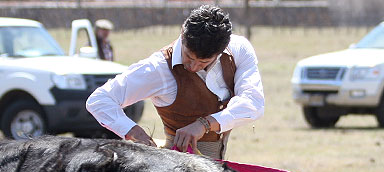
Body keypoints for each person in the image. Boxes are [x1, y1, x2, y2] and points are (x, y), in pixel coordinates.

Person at [86, 5, 264, 159]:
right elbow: (100, 100)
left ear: (221, 50)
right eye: (188, 56)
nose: (193, 66)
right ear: (182, 32)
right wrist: (133, 131)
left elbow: (253, 103)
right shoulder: (159, 68)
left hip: (217, 168)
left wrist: (205, 124)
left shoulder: (238, 50)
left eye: (203, 62)